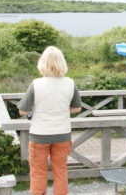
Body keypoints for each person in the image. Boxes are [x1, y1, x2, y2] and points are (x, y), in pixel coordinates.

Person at [18, 46, 82, 195]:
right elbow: (77, 108)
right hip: (62, 134)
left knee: (38, 172)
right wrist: (61, 110)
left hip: (40, 134)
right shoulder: (70, 83)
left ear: (43, 63)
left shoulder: (36, 84)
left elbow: (22, 110)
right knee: (60, 171)